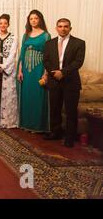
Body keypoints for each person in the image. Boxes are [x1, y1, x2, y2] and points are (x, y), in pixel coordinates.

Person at [43, 18, 85, 147]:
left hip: (70, 82)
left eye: (66, 26)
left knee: (71, 111)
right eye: (60, 26)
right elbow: (46, 60)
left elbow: (78, 62)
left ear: (70, 28)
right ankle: (55, 133)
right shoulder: (49, 43)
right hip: (54, 80)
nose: (63, 28)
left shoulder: (79, 43)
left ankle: (69, 138)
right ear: (56, 28)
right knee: (55, 109)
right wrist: (54, 73)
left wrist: (63, 72)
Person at [18, 10, 51, 133]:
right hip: (26, 70)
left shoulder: (46, 35)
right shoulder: (26, 35)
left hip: (39, 69)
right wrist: (20, 71)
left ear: (40, 19)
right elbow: (22, 53)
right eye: (31, 19)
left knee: (38, 96)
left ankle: (38, 126)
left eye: (36, 18)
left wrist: (45, 73)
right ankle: (26, 124)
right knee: (27, 96)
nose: (33, 21)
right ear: (29, 21)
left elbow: (48, 55)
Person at [0, 14, 18, 129]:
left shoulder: (13, 37)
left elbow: (13, 54)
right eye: (0, 23)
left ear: (8, 24)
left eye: (5, 23)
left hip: (8, 71)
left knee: (8, 95)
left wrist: (5, 66)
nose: (3, 25)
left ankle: (7, 121)